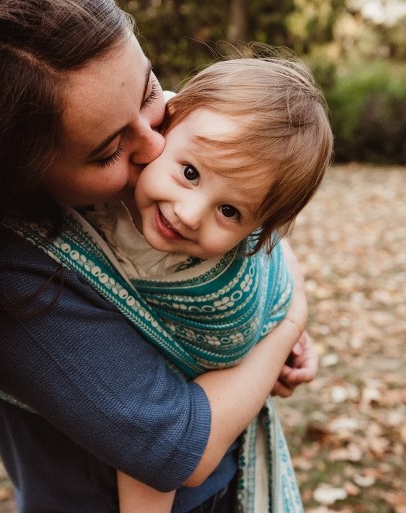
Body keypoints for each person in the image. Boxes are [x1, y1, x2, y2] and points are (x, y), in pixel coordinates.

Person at [0, 1, 319, 512]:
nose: (154, 146)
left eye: (149, 90)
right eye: (107, 150)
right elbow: (176, 448)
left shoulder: (158, 158)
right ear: (10, 174)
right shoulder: (6, 273)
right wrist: (288, 320)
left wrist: (264, 314)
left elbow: (256, 220)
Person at [78, 57, 332, 512]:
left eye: (230, 212)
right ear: (165, 125)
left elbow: (163, 442)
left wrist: (287, 316)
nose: (190, 214)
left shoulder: (219, 282)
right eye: (190, 174)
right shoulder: (123, 145)